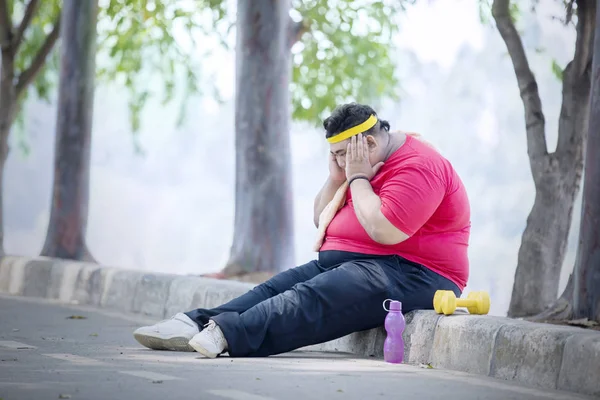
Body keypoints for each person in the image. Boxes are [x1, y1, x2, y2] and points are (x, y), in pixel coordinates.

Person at [133, 103, 471, 359]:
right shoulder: (356, 165)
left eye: (343, 154)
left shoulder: (419, 166)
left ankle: (228, 336)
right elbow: (320, 216)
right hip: (357, 263)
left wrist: (357, 177)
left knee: (315, 295)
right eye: (334, 155)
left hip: (414, 274)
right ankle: (197, 322)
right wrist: (339, 177)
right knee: (275, 287)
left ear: (367, 143)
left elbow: (384, 230)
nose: (339, 161)